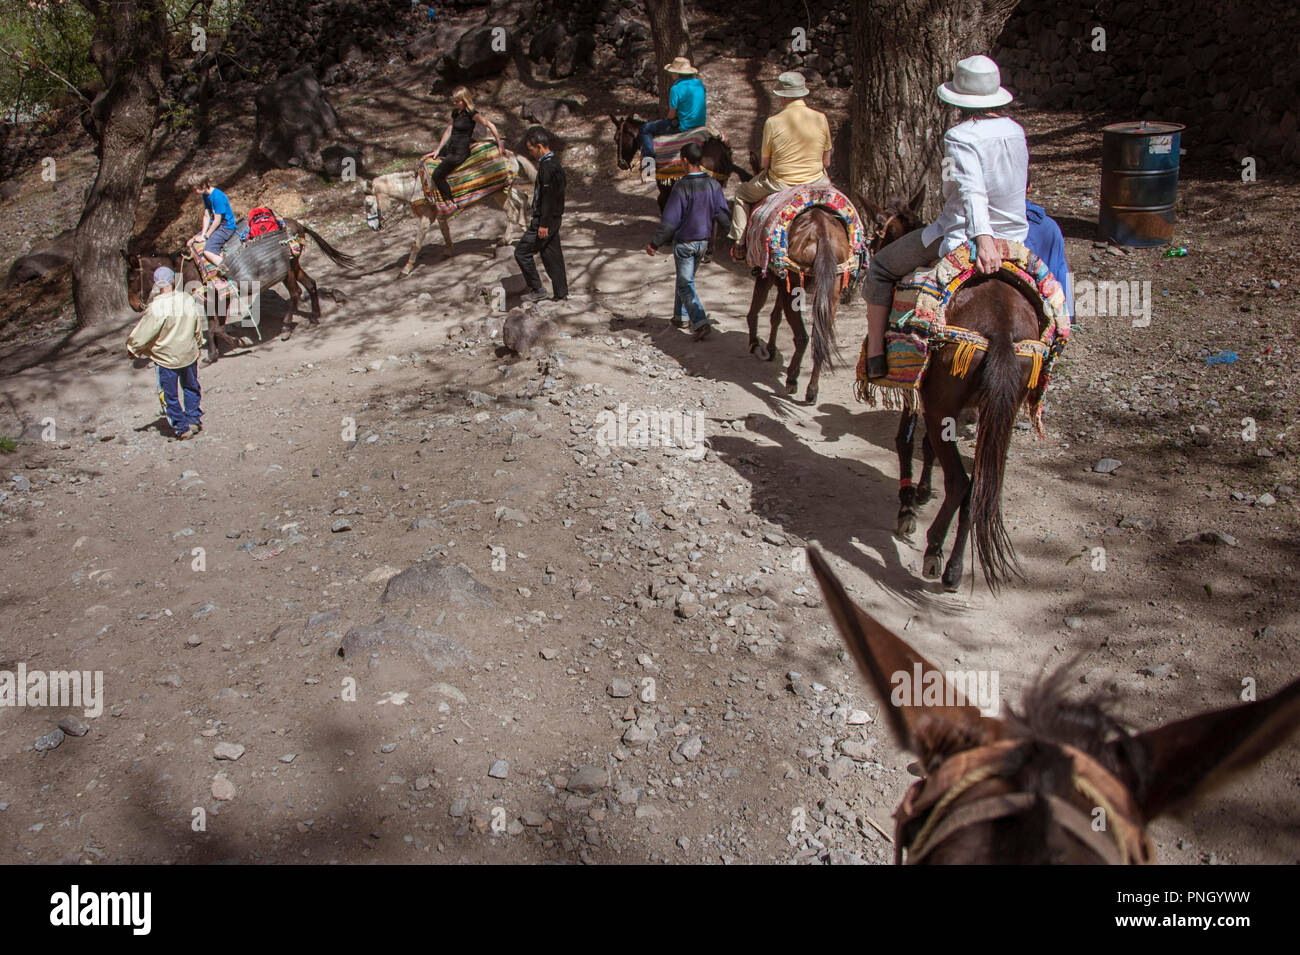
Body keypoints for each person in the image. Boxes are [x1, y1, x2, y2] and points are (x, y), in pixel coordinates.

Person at [861, 55, 1029, 379]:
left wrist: (983, 240)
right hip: (1016, 238)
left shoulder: (961, 135)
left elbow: (972, 192)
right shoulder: (1015, 130)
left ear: (960, 99)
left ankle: (876, 356)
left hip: (964, 235)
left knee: (881, 267)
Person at [728, 71, 832, 252]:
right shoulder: (821, 118)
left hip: (781, 183)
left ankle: (740, 242)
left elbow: (765, 164)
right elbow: (827, 162)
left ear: (783, 97)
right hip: (816, 181)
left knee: (741, 194)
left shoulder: (772, 122)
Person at [646, 141, 731, 340]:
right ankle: (679, 316)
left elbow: (670, 220)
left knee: (685, 284)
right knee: (685, 280)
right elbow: (723, 215)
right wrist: (736, 240)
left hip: (685, 243)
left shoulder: (681, 186)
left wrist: (655, 243)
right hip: (703, 243)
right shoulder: (713, 184)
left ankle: (699, 321)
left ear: (685, 161)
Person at [126, 266, 208, 440]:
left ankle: (181, 426)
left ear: (156, 283)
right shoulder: (186, 299)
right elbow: (196, 325)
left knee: (169, 394)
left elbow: (144, 332)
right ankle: (193, 418)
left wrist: (133, 348)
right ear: (172, 280)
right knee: (191, 386)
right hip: (188, 353)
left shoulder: (156, 307)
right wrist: (199, 344)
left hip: (166, 359)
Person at [429, 86, 503, 214]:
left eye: (457, 101)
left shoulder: (472, 113)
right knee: (430, 161)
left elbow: (490, 125)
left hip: (460, 151)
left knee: (437, 175)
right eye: (454, 101)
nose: (454, 103)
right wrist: (437, 149)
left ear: (464, 100)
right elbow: (449, 129)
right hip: (451, 148)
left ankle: (451, 203)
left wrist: (500, 144)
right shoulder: (455, 112)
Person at [515, 126, 567, 302]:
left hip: (545, 221)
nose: (531, 154)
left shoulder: (547, 167)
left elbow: (548, 198)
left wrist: (543, 223)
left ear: (539, 146)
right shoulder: (553, 164)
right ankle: (561, 294)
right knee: (552, 255)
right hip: (553, 219)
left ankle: (537, 288)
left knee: (522, 252)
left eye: (531, 150)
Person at [1024, 170, 1074, 324]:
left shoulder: (982, 230)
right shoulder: (1048, 228)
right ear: (1029, 188)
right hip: (1043, 316)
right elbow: (1061, 272)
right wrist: (1068, 316)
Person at [638, 57, 707, 163]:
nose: (671, 75)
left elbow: (671, 115)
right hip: (700, 123)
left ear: (677, 74)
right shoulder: (699, 84)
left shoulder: (676, 88)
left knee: (645, 129)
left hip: (684, 126)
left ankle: (649, 162)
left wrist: (667, 120)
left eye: (673, 72)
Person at [189, 175, 237, 273]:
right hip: (217, 225)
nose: (194, 192)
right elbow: (207, 216)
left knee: (208, 252)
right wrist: (202, 234)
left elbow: (217, 220)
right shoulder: (206, 195)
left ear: (203, 185)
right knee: (190, 242)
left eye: (195, 189)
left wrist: (206, 236)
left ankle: (230, 271)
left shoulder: (217, 197)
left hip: (226, 227)